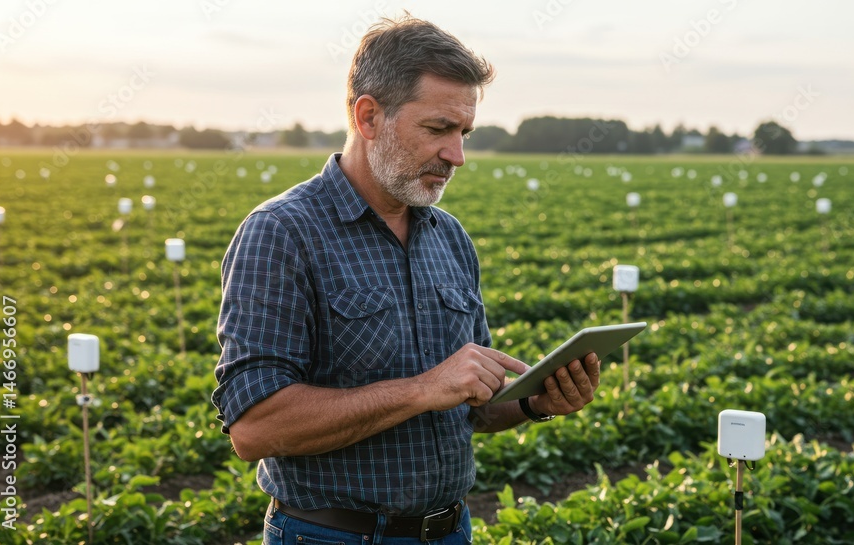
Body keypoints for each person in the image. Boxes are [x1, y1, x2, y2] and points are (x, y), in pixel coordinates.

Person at [212, 14, 602, 545]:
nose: (456, 156)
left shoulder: (450, 237)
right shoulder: (282, 233)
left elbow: (469, 404)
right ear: (369, 116)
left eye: (463, 133)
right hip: (333, 535)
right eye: (438, 129)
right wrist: (422, 389)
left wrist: (534, 400)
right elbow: (255, 427)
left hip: (449, 530)